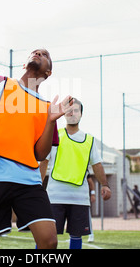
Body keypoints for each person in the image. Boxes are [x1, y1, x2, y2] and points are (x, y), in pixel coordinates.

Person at [0, 48, 73, 249]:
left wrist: (50, 121)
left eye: (45, 54)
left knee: (49, 241)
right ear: (24, 64)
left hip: (27, 180)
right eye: (35, 52)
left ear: (49, 72)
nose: (38, 53)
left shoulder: (48, 107)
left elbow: (40, 154)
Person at [40, 98, 111, 249]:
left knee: (76, 237)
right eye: (69, 110)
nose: (72, 113)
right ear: (64, 113)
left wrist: (105, 185)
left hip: (80, 199)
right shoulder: (55, 136)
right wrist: (37, 188)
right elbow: (43, 162)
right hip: (54, 197)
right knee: (46, 237)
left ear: (81, 114)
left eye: (76, 110)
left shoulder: (89, 140)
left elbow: (97, 164)